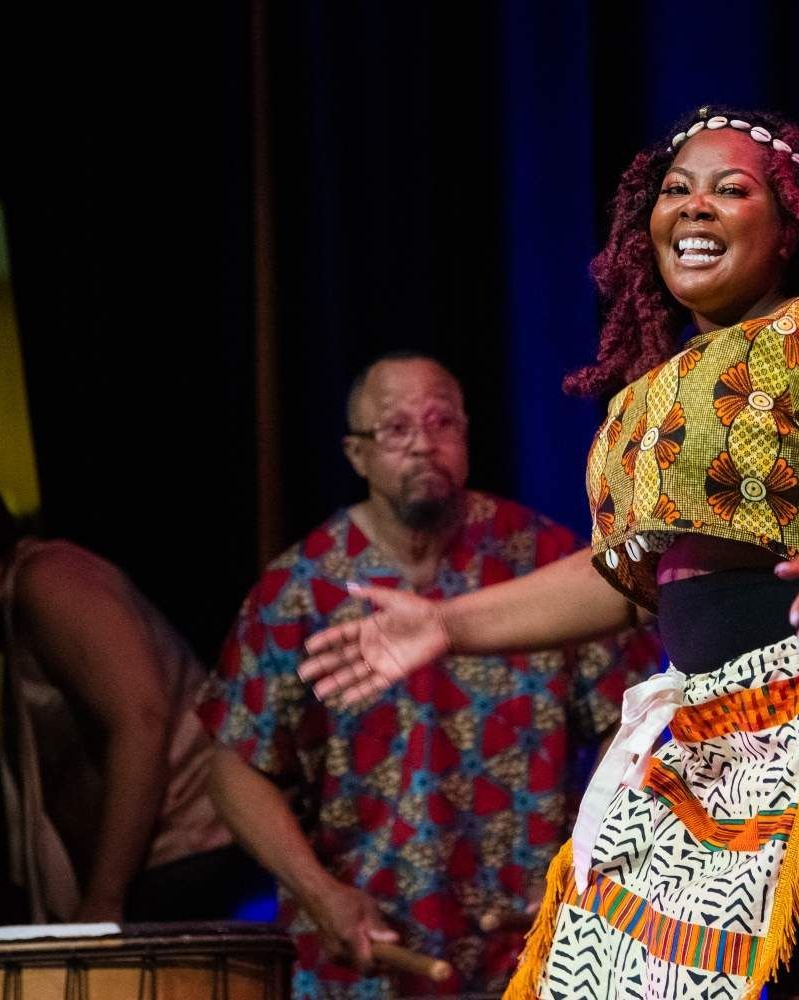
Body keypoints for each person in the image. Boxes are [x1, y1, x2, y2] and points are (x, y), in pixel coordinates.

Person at [299, 108, 799, 1000]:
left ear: (791, 225)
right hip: (722, 725)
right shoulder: (644, 400)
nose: (695, 208)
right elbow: (625, 576)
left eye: (732, 189)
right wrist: (447, 625)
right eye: (675, 191)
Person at [197, 353, 662, 1000]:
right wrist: (320, 893)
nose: (423, 442)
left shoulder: (542, 561)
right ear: (355, 454)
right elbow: (232, 765)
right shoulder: (298, 589)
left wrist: (582, 863)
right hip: (366, 955)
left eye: (442, 421)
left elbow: (638, 719)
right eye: (395, 428)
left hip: (526, 944)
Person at [0, 462, 265, 924]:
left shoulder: (48, 583)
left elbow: (140, 720)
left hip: (192, 856)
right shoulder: (22, 612)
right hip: (172, 867)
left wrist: (103, 900)